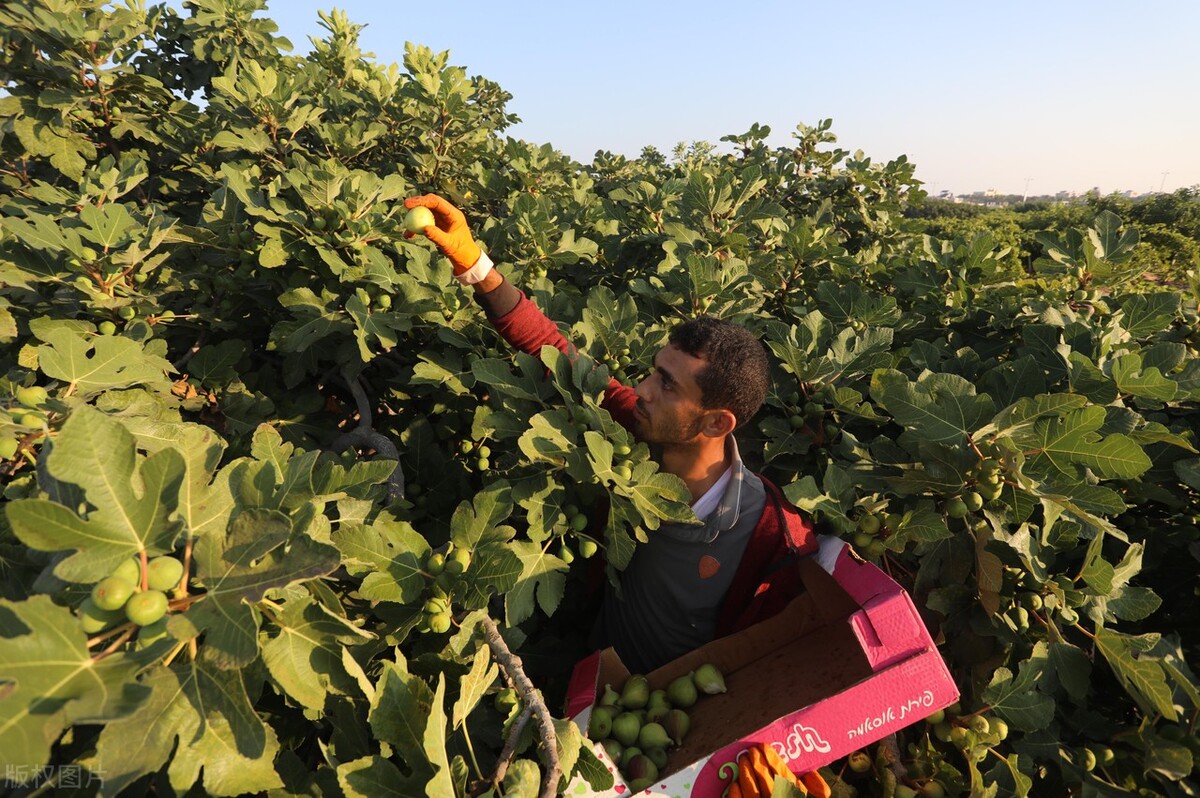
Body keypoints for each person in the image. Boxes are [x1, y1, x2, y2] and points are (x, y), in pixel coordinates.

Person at [404, 194, 820, 674]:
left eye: (667, 384)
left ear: (716, 422)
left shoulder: (768, 536)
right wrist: (475, 265)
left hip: (668, 722)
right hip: (591, 675)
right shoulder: (639, 432)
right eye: (654, 371)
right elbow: (557, 351)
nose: (641, 389)